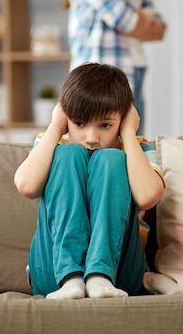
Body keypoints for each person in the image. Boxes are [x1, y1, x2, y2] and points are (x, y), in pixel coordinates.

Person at [14, 62, 165, 300]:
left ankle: (99, 276)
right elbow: (26, 186)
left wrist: (128, 133)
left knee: (111, 159)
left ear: (123, 118)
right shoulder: (55, 142)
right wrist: (55, 126)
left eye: (105, 125)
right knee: (67, 154)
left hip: (120, 275)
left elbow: (148, 197)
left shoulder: (135, 147)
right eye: (79, 124)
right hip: (51, 273)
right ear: (66, 117)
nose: (91, 138)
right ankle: (70, 277)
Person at [60, 0, 166, 134]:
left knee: (131, 152)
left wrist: (133, 14)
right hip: (96, 79)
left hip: (133, 70)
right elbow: (122, 17)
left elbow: (159, 28)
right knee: (102, 156)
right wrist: (137, 16)